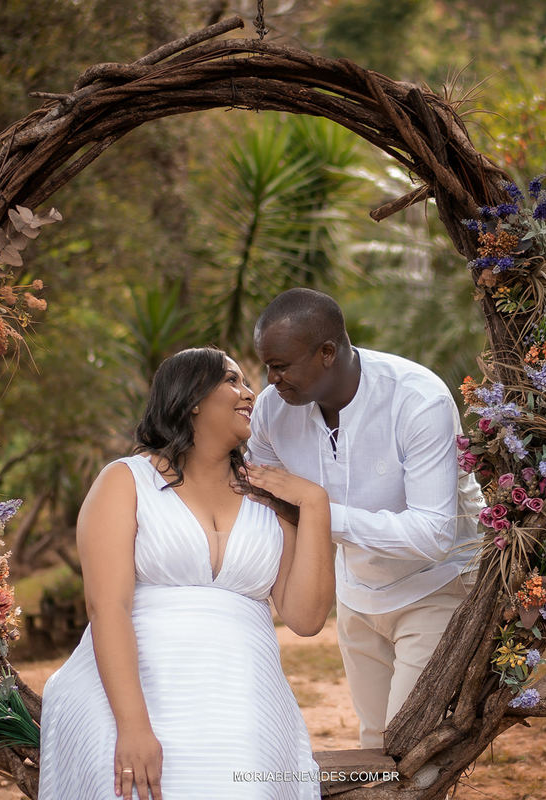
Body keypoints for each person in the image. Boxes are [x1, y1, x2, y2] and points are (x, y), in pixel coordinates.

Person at [39, 347, 334, 800]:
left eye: (247, 383)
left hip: (241, 688)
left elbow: (306, 618)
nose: (249, 393)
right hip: (129, 686)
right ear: (192, 397)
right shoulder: (125, 480)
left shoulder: (272, 495)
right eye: (233, 380)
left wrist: (314, 505)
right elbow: (107, 607)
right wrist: (134, 726)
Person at [248, 288, 484, 750]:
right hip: (354, 594)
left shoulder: (418, 400)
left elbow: (433, 534)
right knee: (374, 744)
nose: (270, 379)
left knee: (411, 744)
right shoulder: (272, 411)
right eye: (267, 366)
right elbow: (265, 502)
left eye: (281, 365)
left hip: (435, 587)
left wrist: (317, 510)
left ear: (327, 353)